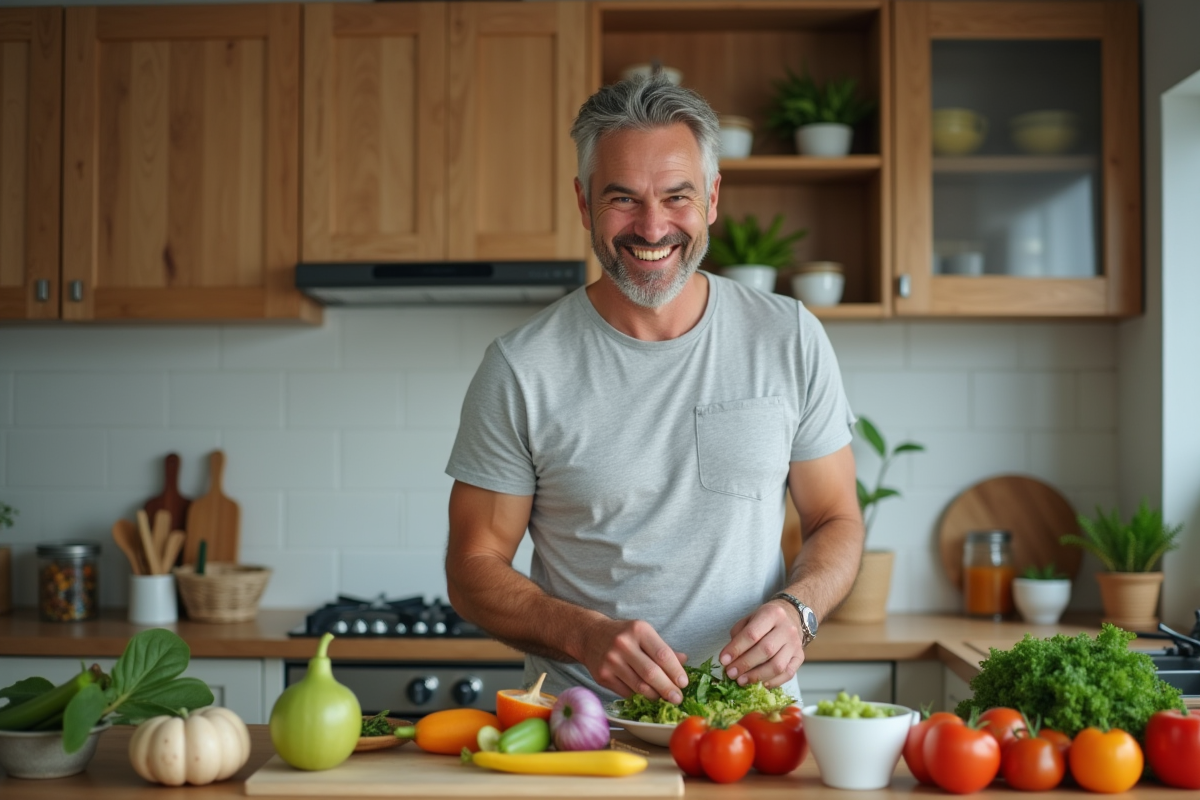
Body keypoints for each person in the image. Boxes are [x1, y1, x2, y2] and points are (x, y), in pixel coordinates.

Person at [444, 74, 864, 706]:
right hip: (586, 733)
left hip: (751, 730)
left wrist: (799, 610)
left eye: (676, 196)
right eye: (623, 199)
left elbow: (837, 518)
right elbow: (473, 567)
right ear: (584, 203)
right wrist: (583, 634)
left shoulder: (789, 337)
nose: (652, 226)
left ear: (713, 198)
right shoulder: (521, 367)